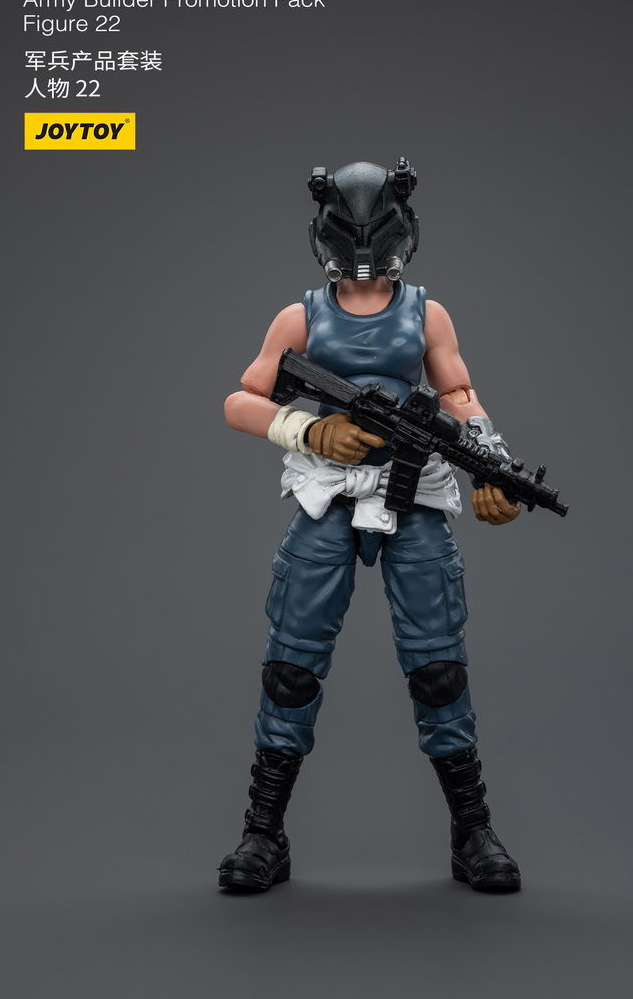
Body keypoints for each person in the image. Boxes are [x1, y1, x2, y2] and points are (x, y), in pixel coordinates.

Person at [218, 158, 522, 893]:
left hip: (411, 494)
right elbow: (241, 401)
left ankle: (472, 831)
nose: (361, 256)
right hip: (328, 493)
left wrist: (494, 466)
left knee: (438, 666)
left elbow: (459, 395)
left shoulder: (426, 313)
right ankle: (263, 832)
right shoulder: (300, 318)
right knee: (292, 666)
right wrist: (309, 431)